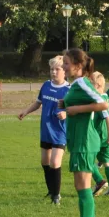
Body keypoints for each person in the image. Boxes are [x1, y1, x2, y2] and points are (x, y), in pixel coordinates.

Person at [58, 49, 109, 217]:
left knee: (83, 186)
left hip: (84, 142)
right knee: (83, 186)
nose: (64, 67)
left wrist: (77, 109)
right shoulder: (77, 84)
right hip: (80, 141)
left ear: (78, 66)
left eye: (67, 63)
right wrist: (66, 103)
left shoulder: (82, 82)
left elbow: (103, 104)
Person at [18, 56, 69, 204]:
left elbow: (74, 110)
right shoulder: (46, 85)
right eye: (51, 69)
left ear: (64, 71)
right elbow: (38, 102)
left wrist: (66, 113)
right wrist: (26, 111)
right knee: (45, 162)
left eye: (57, 69)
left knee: (55, 162)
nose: (53, 72)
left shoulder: (69, 89)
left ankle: (56, 196)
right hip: (46, 130)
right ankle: (51, 190)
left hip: (60, 132)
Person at [89, 72, 109, 197]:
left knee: (87, 161)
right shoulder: (107, 97)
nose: (89, 86)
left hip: (98, 134)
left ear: (98, 85)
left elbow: (107, 116)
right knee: (107, 161)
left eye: (91, 83)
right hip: (108, 135)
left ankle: (100, 181)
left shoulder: (98, 99)